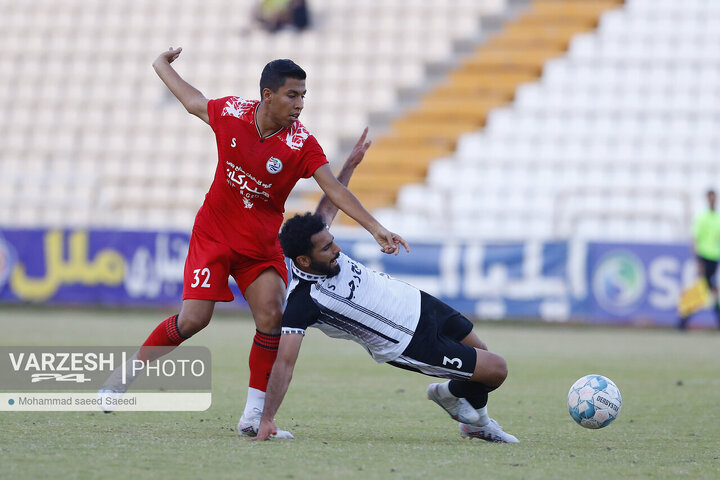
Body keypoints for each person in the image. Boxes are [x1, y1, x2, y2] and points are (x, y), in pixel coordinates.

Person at [102, 48, 409, 438]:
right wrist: (160, 65)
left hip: (260, 247)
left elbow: (331, 188)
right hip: (213, 235)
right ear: (267, 95)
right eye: (292, 95)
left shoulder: (301, 144)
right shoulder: (232, 114)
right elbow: (193, 101)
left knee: (271, 318)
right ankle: (126, 376)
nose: (300, 104)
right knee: (194, 320)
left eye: (303, 96)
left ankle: (252, 416)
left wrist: (375, 227)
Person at [252, 207, 518, 442]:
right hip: (409, 342)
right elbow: (284, 364)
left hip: (418, 303)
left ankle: (472, 420)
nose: (337, 250)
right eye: (327, 249)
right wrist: (267, 419)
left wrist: (350, 165)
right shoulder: (302, 303)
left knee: (483, 354)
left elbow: (331, 199)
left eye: (332, 242)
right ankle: (460, 404)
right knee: (496, 370)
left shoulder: (317, 241)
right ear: (304, 261)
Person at [678, 188, 720, 329]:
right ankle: (684, 320)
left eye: (714, 197)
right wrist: (698, 260)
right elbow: (695, 238)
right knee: (707, 288)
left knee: (706, 288)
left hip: (714, 257)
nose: (712, 200)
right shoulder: (702, 217)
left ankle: (683, 320)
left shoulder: (717, 218)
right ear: (707, 199)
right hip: (704, 257)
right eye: (710, 197)